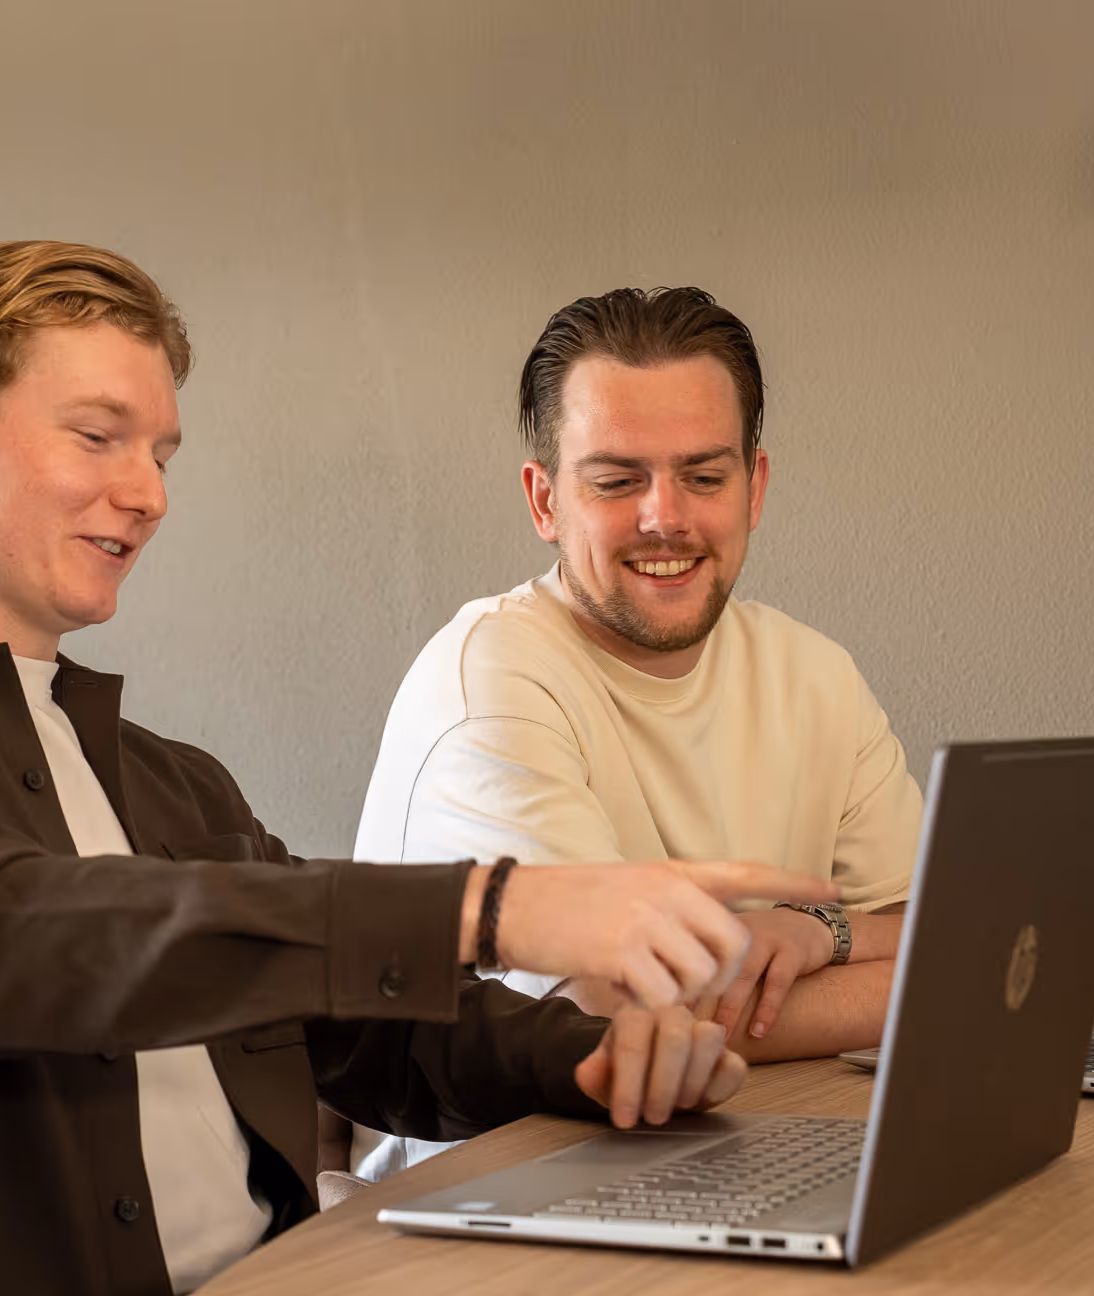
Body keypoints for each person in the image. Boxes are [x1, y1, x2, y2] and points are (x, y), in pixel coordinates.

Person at [0, 243, 839, 1296]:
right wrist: (492, 908)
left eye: (160, 453)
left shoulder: (164, 777)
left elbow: (351, 1027)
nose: (146, 493)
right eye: (99, 437)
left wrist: (603, 1063)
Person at [351, 286, 924, 1180]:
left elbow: (945, 931)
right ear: (545, 501)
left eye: (705, 475)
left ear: (755, 486)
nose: (667, 517)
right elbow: (618, 1022)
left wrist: (825, 933)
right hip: (505, 1206)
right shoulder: (491, 680)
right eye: (617, 481)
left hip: (736, 1156)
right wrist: (909, 982)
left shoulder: (815, 672)